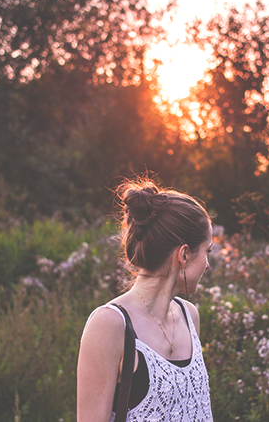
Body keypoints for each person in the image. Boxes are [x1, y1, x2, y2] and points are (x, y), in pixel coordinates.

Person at [77, 179, 214, 421]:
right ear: (183, 254)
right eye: (207, 251)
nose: (207, 264)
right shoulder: (109, 325)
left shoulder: (190, 316)